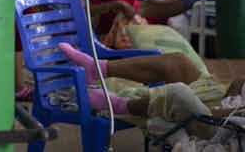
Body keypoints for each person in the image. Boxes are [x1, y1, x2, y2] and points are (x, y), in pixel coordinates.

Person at [57, 42, 245, 138]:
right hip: (228, 103)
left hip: (228, 125)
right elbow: (238, 82)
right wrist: (235, 92)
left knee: (177, 94)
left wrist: (228, 109)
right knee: (178, 62)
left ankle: (114, 104)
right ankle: (97, 69)